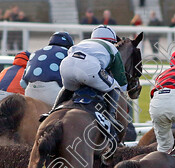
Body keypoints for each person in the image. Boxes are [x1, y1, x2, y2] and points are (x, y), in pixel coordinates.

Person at [49, 26, 128, 155]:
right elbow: (121, 81)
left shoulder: (84, 42)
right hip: (88, 67)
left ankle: (53, 109)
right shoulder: (112, 48)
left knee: (68, 87)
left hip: (66, 65)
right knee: (115, 86)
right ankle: (111, 118)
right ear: (112, 41)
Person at [21, 32, 73, 106]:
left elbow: (22, 83)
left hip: (30, 91)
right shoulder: (68, 53)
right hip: (53, 92)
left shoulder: (35, 53)